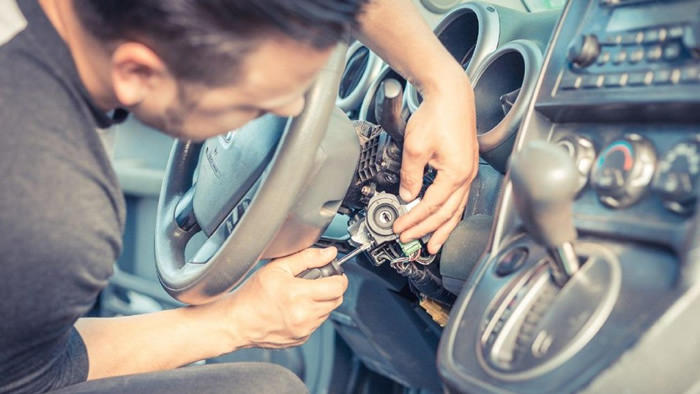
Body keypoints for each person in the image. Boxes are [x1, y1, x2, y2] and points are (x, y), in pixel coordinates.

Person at [0, 0, 478, 392]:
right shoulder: (52, 210)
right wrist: (234, 322)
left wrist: (442, 82)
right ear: (137, 72)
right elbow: (30, 375)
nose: (293, 112)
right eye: (252, 107)